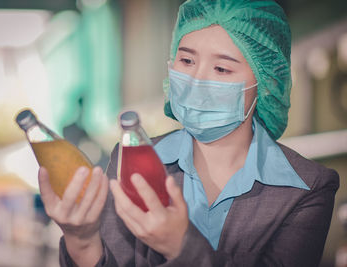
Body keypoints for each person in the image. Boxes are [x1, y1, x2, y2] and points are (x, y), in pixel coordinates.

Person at [38, 0, 340, 266]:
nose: (195, 80)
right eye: (186, 61)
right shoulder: (132, 159)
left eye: (221, 69)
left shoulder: (307, 188)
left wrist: (180, 247)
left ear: (265, 83)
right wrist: (82, 240)